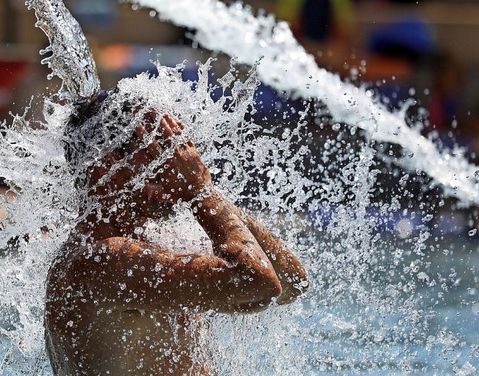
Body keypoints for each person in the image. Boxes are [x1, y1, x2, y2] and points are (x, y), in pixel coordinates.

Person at [45, 97, 309, 375]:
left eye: (173, 146)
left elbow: (292, 283)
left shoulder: (152, 243)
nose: (174, 159)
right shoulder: (101, 260)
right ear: (105, 167)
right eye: (158, 149)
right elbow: (258, 282)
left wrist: (203, 189)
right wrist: (200, 190)